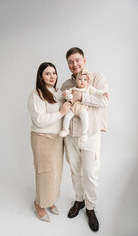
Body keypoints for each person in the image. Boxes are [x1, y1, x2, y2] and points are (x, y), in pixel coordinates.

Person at [61, 47, 109, 232]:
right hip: (71, 135)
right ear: (68, 64)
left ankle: (90, 208)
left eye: (77, 60)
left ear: (84, 61)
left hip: (90, 134)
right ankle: (79, 201)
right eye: (71, 62)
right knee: (75, 171)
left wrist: (82, 95)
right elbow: (64, 105)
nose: (75, 64)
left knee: (90, 173)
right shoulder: (66, 84)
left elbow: (104, 101)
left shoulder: (97, 78)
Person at [27, 62, 71, 222]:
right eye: (47, 73)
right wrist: (60, 113)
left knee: (55, 173)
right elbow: (39, 120)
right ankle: (39, 204)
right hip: (43, 138)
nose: (52, 76)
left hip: (58, 139)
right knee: (44, 173)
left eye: (54, 73)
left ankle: (50, 201)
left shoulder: (58, 92)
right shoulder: (36, 94)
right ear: (41, 76)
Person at [59, 68, 109, 141]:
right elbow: (67, 92)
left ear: (88, 82)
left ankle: (84, 133)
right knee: (67, 116)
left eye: (85, 80)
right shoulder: (73, 88)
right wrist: (65, 94)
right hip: (73, 107)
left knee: (85, 118)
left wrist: (102, 93)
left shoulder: (89, 88)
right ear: (76, 81)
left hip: (83, 108)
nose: (82, 81)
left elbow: (97, 92)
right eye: (80, 79)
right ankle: (65, 129)